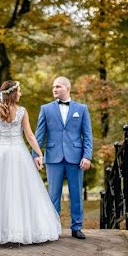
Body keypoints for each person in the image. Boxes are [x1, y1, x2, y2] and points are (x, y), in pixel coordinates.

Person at [0, 80, 61, 244]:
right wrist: (39, 152)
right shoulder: (22, 111)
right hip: (19, 152)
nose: (21, 94)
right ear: (14, 93)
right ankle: (21, 230)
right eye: (19, 91)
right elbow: (29, 136)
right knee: (21, 191)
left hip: (1, 153)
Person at [34, 76, 93, 240]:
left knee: (76, 194)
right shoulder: (45, 109)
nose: (54, 89)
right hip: (53, 157)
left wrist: (87, 156)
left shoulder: (82, 109)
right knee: (53, 195)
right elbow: (39, 135)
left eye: (58, 86)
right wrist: (36, 155)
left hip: (76, 157)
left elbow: (87, 136)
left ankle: (77, 227)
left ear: (67, 88)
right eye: (53, 87)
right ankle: (53, 228)